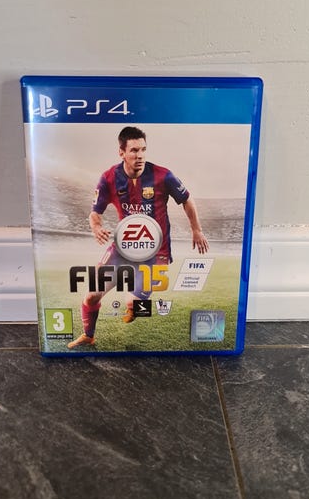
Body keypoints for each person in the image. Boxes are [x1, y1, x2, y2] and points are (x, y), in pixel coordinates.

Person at [68, 126, 209, 348]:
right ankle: (88, 335)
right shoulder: (109, 178)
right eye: (134, 150)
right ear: (121, 152)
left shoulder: (163, 175)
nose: (140, 155)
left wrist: (196, 230)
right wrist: (96, 227)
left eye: (143, 149)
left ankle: (134, 305)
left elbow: (187, 200)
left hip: (156, 252)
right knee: (91, 295)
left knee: (133, 304)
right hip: (123, 248)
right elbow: (95, 212)